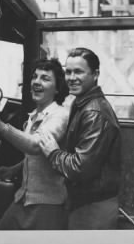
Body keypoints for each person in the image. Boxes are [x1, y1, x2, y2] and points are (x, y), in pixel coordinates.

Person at [39, 47, 121, 230]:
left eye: (78, 71)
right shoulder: (80, 103)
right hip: (85, 202)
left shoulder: (94, 112)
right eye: (68, 72)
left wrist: (53, 153)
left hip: (93, 207)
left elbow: (79, 168)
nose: (71, 77)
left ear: (96, 74)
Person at [0, 58, 70, 230]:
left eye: (45, 78)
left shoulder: (60, 115)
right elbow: (36, 158)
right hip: (23, 198)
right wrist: (14, 169)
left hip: (47, 205)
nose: (37, 82)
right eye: (35, 77)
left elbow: (35, 146)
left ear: (57, 88)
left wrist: (2, 127)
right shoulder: (34, 116)